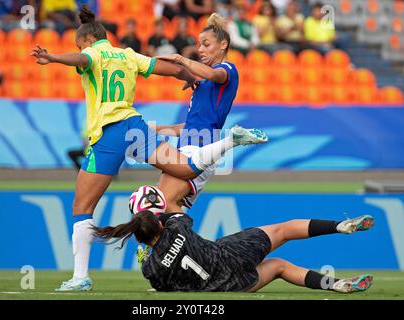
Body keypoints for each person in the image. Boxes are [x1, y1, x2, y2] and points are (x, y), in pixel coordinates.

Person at [30, 5, 268, 291]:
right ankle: (164, 257)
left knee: (85, 207)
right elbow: (162, 69)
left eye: (205, 44)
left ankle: (83, 276)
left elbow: (81, 58)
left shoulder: (94, 52)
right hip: (136, 126)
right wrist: (185, 78)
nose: (201, 49)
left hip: (111, 132)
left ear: (89, 40)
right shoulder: (127, 54)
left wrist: (54, 57)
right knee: (159, 198)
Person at [94, 197, 375, 293]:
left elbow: (160, 284)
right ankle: (340, 226)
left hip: (229, 285)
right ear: (158, 224)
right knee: (284, 229)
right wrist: (157, 208)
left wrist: (145, 252)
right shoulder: (175, 228)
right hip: (229, 254)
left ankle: (335, 285)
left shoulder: (151, 269)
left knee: (279, 267)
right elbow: (176, 209)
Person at [152, 13, 251, 212]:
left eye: (206, 44)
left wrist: (181, 59)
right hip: (188, 146)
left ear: (223, 45)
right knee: (165, 206)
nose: (200, 50)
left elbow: (215, 74)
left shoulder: (227, 69)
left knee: (162, 204)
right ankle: (179, 242)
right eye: (199, 45)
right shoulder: (203, 85)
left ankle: (181, 243)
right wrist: (156, 129)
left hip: (199, 148)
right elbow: (190, 126)